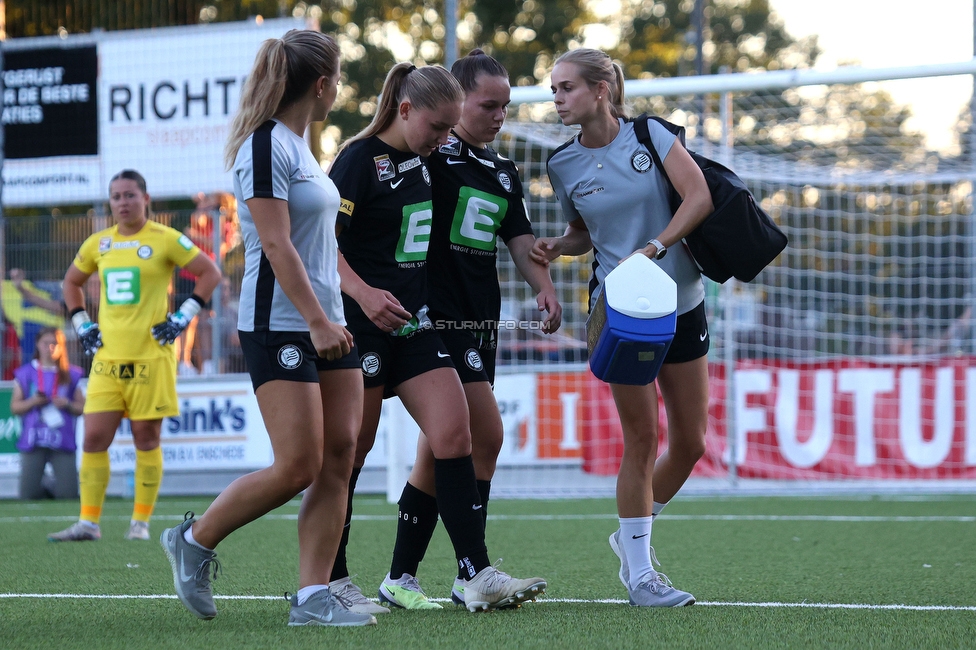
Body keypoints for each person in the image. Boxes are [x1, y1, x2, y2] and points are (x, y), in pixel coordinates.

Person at [158, 29, 375, 627]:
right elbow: (277, 245)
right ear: (323, 84)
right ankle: (195, 538)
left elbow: (319, 244)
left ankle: (312, 599)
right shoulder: (264, 146)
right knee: (298, 465)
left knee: (339, 459)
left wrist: (339, 312)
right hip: (279, 325)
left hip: (330, 324)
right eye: (339, 81)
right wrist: (316, 321)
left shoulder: (303, 146)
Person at [327, 61, 547, 614]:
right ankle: (332, 577)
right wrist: (363, 294)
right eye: (438, 126)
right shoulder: (359, 160)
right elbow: (320, 245)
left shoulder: (430, 162)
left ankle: (475, 572)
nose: (445, 139)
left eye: (451, 129)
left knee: (457, 433)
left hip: (415, 321)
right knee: (353, 448)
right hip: (363, 323)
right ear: (405, 109)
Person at [379, 49, 563, 608]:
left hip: (480, 320)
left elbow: (517, 241)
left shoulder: (503, 171)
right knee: (484, 434)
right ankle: (471, 573)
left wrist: (543, 286)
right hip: (437, 318)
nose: (499, 115)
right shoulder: (429, 157)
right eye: (489, 104)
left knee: (442, 447)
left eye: (506, 105)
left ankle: (400, 578)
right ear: (458, 101)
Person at [531, 48, 713, 607]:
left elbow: (700, 196)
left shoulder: (651, 135)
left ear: (601, 89)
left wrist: (655, 246)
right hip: (621, 313)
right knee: (642, 438)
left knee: (690, 443)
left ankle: (629, 532)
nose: (556, 99)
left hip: (682, 304)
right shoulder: (561, 163)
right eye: (554, 89)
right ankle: (640, 573)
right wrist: (561, 245)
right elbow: (585, 231)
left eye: (566, 88)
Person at [47, 169, 221, 543]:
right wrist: (81, 323)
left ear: (146, 199)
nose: (122, 202)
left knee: (146, 438)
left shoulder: (165, 239)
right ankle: (88, 523)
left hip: (151, 359)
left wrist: (182, 317)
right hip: (107, 360)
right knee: (93, 437)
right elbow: (71, 282)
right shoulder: (98, 243)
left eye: (129, 195)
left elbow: (210, 273)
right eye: (116, 196)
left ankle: (140, 523)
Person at [11, 327, 85, 500]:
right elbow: (15, 407)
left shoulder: (71, 374)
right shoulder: (25, 373)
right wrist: (33, 402)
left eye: (54, 343)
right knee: (27, 496)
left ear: (61, 346)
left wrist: (67, 403)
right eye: (46, 343)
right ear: (38, 344)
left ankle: (53, 486)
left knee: (68, 495)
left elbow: (82, 408)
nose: (50, 347)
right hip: (33, 438)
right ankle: (42, 485)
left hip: (62, 437)